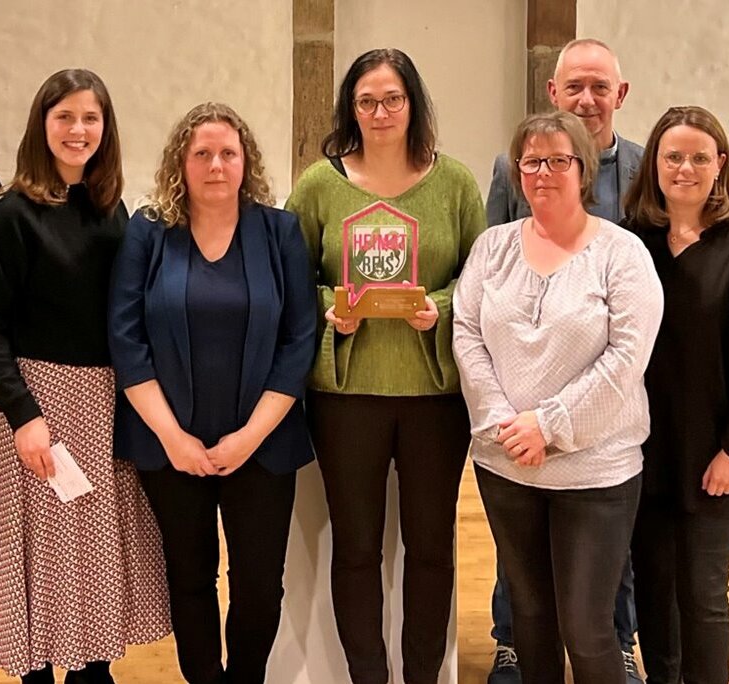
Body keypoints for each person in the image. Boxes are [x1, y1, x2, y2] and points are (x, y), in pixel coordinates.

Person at [286, 48, 484, 684]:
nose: (379, 113)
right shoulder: (318, 186)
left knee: (430, 547)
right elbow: (291, 280)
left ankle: (423, 675)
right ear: (351, 109)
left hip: (434, 398)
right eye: (366, 101)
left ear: (412, 104)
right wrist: (330, 308)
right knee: (356, 547)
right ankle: (368, 675)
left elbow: (481, 279)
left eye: (392, 99)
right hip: (348, 399)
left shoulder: (455, 184)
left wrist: (438, 308)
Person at [0, 69, 170, 684]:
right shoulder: (12, 214)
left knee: (93, 555)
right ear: (42, 124)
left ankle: (92, 670)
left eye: (90, 118)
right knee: (44, 556)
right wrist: (24, 417)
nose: (77, 130)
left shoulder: (112, 209)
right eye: (64, 117)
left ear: (106, 128)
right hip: (40, 406)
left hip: (104, 403)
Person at [107, 102, 316, 684]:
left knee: (259, 586)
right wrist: (172, 438)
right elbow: (126, 337)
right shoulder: (148, 231)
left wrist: (249, 438)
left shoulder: (279, 232)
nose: (216, 165)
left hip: (263, 447)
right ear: (181, 162)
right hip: (171, 449)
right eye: (202, 154)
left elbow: (300, 339)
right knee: (189, 578)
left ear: (246, 162)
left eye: (228, 153)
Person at [453, 110, 663, 684]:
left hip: (596, 471)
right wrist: (503, 422)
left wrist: (547, 426)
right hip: (506, 464)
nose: (543, 172)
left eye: (558, 160)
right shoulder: (492, 247)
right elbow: (466, 333)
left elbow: (627, 358)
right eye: (531, 162)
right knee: (529, 617)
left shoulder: (621, 254)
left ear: (583, 169)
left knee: (588, 627)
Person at [623, 105, 729, 684]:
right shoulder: (632, 243)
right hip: (644, 452)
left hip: (716, 455)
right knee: (654, 594)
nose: (684, 168)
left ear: (720, 164)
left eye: (697, 157)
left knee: (702, 595)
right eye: (672, 156)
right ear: (654, 164)